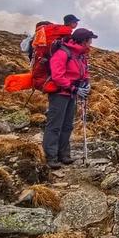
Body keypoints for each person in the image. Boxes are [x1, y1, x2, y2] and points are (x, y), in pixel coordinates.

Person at [42, 28, 97, 169]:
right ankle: (51, 157)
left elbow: (84, 72)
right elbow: (57, 76)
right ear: (83, 41)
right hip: (59, 93)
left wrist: (86, 84)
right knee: (55, 125)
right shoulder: (62, 53)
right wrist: (74, 88)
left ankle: (64, 155)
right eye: (90, 40)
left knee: (67, 125)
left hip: (71, 94)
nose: (91, 43)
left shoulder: (80, 55)